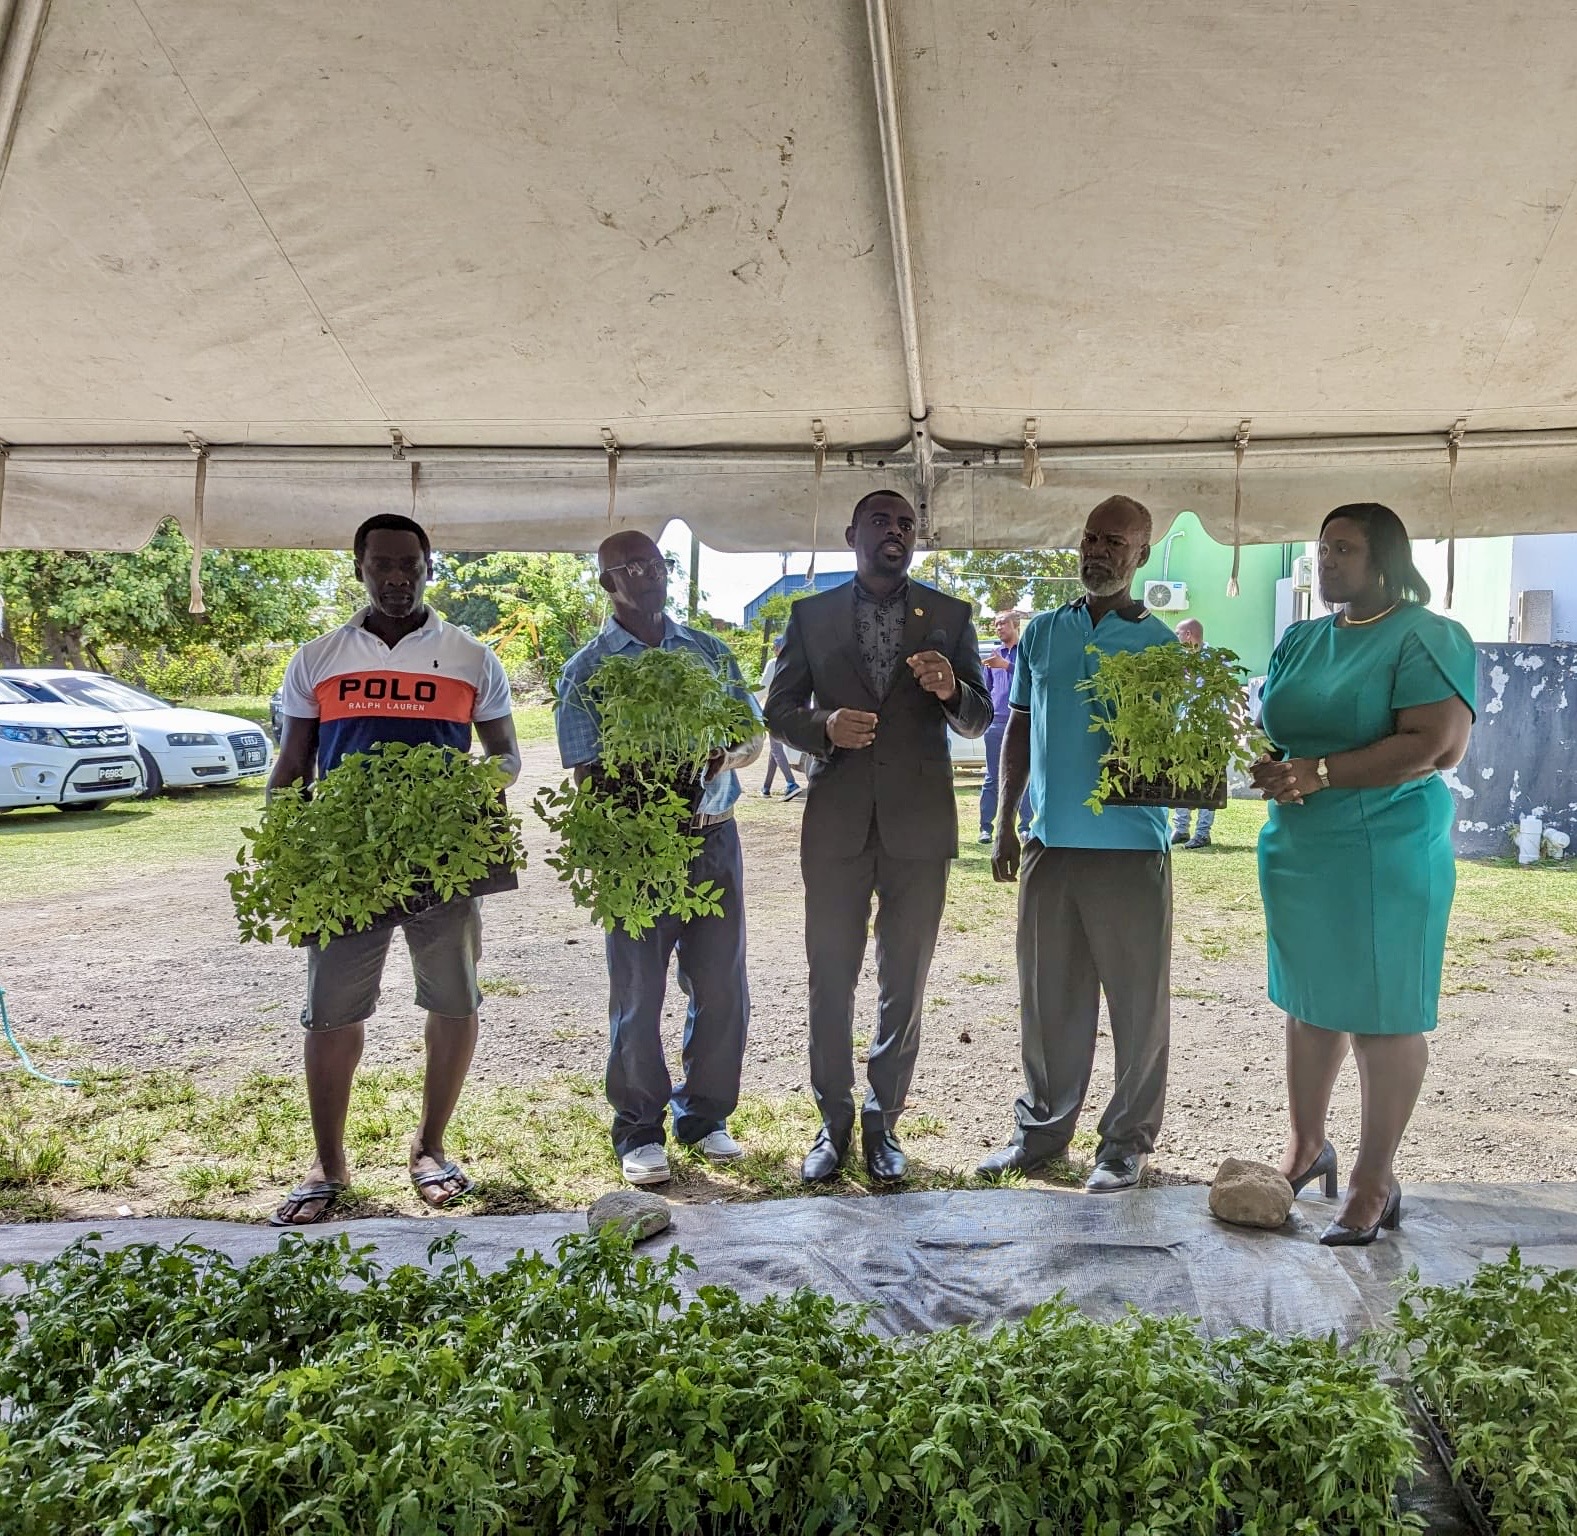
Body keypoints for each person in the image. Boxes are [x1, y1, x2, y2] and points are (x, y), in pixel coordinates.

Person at [267, 513, 521, 1226]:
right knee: (331, 1011)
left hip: (443, 861)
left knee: (453, 1001)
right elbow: (293, 763)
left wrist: (461, 786)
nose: (397, 576)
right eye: (382, 563)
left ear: (429, 567)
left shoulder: (471, 656)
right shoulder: (317, 658)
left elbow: (505, 756)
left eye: (410, 563)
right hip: (345, 865)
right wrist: (283, 850)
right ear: (360, 569)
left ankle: (430, 1147)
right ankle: (328, 1163)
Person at [1251, 503, 1474, 1246]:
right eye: (1321, 548)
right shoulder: (1301, 638)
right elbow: (1281, 728)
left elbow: (1434, 744)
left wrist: (1318, 772)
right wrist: (1276, 766)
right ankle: (1306, 1147)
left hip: (1387, 848)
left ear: (1385, 559)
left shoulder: (1425, 635)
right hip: (1300, 848)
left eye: (1343, 549)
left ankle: (1374, 1180)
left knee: (1384, 1014)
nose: (1326, 560)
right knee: (1310, 1001)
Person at [765, 490, 992, 1185]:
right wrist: (824, 726)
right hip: (836, 822)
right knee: (830, 976)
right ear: (851, 534)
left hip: (919, 826)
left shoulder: (950, 616)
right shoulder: (810, 616)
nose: (896, 531)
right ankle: (832, 1122)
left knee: (904, 980)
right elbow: (778, 709)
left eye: (906, 524)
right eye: (881, 521)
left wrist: (951, 689)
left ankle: (882, 1120)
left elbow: (979, 717)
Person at [981, 495, 1178, 1193]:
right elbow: (1019, 727)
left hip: (1131, 848)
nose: (1098, 552)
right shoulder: (1042, 633)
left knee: (1136, 1005)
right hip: (1050, 842)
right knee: (1048, 1001)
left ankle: (1124, 1144)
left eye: (1115, 543)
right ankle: (1039, 1133)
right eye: (1091, 538)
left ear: (1141, 555)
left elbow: (1175, 752)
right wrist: (1006, 821)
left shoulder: (1160, 646)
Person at [557, 532, 763, 1187]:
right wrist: (649, 784)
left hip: (713, 837)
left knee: (721, 986)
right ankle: (639, 1129)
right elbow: (587, 771)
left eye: (654, 563)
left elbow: (750, 736)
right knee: (638, 994)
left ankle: (704, 1117)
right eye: (630, 567)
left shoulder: (706, 651)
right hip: (636, 848)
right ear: (606, 582)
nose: (648, 574)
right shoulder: (587, 668)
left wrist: (721, 757)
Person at [979, 610, 1032, 845]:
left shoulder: (1025, 652)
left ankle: (1024, 826)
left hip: (1023, 722)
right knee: (992, 776)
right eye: (996, 624)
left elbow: (1031, 678)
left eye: (1003, 623)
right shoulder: (994, 655)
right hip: (996, 723)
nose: (999, 627)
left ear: (1015, 625)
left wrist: (1007, 666)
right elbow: (986, 689)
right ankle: (985, 828)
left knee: (1025, 776)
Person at [1168, 618, 1216, 849]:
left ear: (1188, 635)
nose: (1175, 638)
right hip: (1183, 728)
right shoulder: (1179, 659)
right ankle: (1181, 829)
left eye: (1177, 633)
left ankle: (1203, 832)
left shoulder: (1214, 659)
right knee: (1181, 776)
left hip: (1208, 728)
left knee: (1207, 781)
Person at [758, 634, 802, 800]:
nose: (774, 650)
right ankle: (766, 787)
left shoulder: (774, 663)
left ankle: (791, 783)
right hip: (791, 710)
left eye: (775, 647)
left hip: (775, 711)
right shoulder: (796, 663)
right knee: (775, 749)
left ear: (778, 648)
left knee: (776, 749)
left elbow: (762, 688)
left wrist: (751, 704)